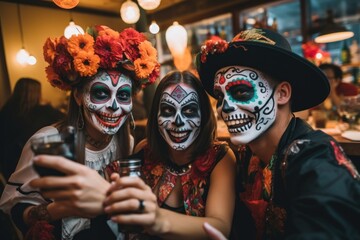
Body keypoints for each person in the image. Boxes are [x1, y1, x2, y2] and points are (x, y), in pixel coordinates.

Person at [195, 28, 360, 239]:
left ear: (282, 94)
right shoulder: (247, 154)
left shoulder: (315, 160)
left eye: (241, 91)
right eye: (220, 96)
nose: (224, 108)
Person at [0, 25, 159, 240]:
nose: (113, 106)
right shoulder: (52, 142)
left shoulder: (126, 142)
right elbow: (15, 208)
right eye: (101, 93)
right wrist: (60, 209)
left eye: (122, 95)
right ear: (78, 96)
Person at [103, 70, 237, 239]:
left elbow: (220, 227)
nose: (178, 121)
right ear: (156, 116)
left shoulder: (221, 158)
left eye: (189, 111)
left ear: (203, 115)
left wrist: (158, 220)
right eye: (167, 110)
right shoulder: (145, 151)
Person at [0, 77, 65, 181]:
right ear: (36, 93)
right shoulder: (44, 112)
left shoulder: (6, 110)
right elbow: (65, 119)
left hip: (9, 164)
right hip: (33, 163)